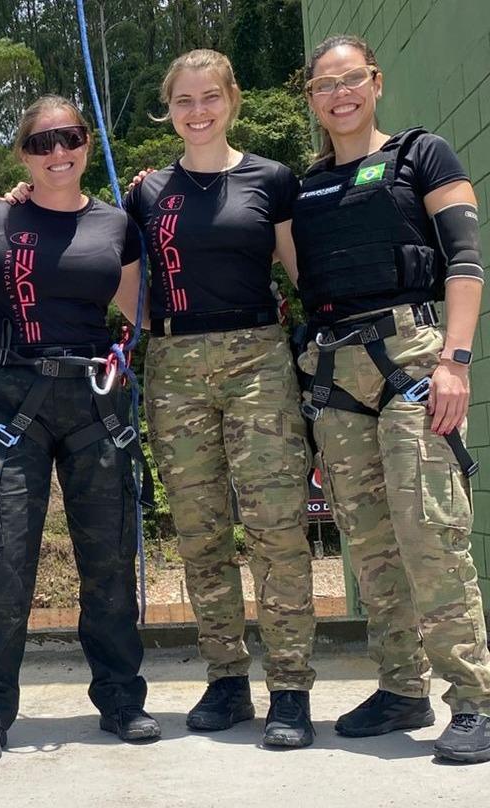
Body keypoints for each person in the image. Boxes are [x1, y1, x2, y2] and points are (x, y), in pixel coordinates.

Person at [294, 34, 490, 763]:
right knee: (370, 543)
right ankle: (401, 686)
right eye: (325, 85)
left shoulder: (422, 155)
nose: (340, 94)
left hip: (413, 359)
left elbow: (465, 259)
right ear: (310, 97)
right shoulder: (306, 184)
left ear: (375, 83)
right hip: (337, 373)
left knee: (429, 533)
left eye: (352, 80)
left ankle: (473, 699)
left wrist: (455, 361)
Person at [123, 50, 317, 747]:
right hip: (174, 364)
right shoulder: (148, 193)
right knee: (201, 531)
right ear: (167, 109)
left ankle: (289, 686)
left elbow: (300, 276)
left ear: (232, 99)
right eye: (183, 100)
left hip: (258, 359)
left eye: (209, 97)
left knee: (275, 526)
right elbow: (117, 270)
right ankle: (227, 677)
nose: (197, 111)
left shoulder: (272, 179)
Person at [0, 95, 152, 763]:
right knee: (3, 557)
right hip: (18, 397)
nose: (56, 152)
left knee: (109, 559)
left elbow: (141, 308)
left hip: (96, 399)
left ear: (87, 143)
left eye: (67, 137)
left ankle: (122, 698)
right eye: (41, 143)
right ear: (22, 154)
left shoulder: (116, 225)